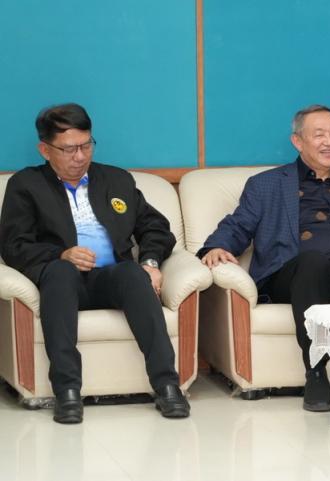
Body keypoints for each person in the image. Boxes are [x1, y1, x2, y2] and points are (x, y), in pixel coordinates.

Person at [199, 104, 330, 411]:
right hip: (297, 275)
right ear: (298, 141)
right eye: (319, 135)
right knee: (312, 261)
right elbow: (239, 224)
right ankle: (315, 373)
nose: (329, 142)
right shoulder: (267, 184)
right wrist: (216, 246)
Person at [0, 103, 190, 423]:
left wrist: (150, 261)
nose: (80, 156)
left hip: (110, 277)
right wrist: (59, 255)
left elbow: (156, 228)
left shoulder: (116, 179)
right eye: (69, 149)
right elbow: (13, 245)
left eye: (86, 145)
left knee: (133, 273)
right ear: (45, 150)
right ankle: (67, 392)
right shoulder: (26, 185)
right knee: (60, 273)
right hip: (63, 280)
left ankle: (168, 386)